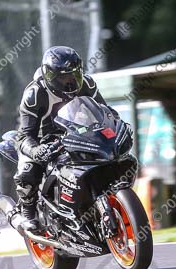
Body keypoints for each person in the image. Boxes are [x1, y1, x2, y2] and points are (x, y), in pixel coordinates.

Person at [13, 46, 116, 233]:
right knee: (28, 171)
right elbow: (24, 135)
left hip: (77, 132)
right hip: (42, 140)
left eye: (74, 75)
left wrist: (115, 124)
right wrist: (36, 150)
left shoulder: (87, 84)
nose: (70, 82)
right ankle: (28, 213)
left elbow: (106, 112)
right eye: (63, 77)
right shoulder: (35, 94)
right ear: (50, 76)